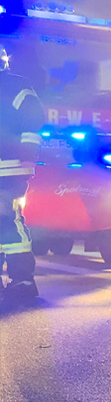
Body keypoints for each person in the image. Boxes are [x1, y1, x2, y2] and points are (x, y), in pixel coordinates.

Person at [0, 43, 45, 309]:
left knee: (7, 219)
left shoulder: (15, 85)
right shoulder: (15, 85)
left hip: (9, 166)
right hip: (12, 163)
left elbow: (33, 115)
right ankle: (21, 282)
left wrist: (27, 148)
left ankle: (23, 281)